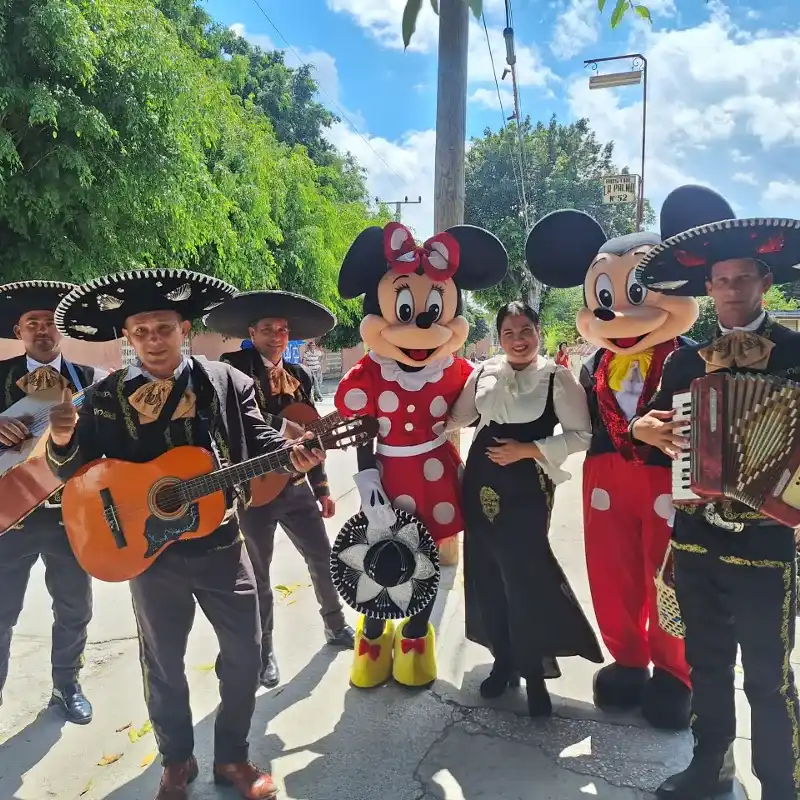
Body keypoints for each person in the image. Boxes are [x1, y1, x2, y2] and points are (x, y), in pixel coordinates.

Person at [45, 269, 325, 800]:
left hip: (222, 545)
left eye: (164, 328)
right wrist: (62, 440)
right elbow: (73, 474)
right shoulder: (104, 397)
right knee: (163, 664)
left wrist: (293, 457)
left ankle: (233, 756)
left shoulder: (227, 382)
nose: (154, 340)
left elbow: (260, 439)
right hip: (150, 556)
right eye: (142, 331)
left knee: (247, 651)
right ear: (128, 337)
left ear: (185, 329)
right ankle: (176, 762)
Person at [631, 185, 800, 799]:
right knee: (706, 664)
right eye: (721, 280)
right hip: (698, 536)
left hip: (767, 540)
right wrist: (645, 429)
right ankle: (711, 769)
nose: (731, 289)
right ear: (708, 288)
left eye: (743, 278)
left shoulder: (796, 353)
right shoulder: (685, 361)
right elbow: (647, 424)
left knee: (768, 676)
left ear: (765, 281)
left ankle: (782, 784)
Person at [523, 197, 716, 730]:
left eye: (635, 294)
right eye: (605, 298)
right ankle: (628, 659)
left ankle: (675, 673)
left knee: (671, 578)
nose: (617, 314)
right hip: (606, 483)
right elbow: (574, 421)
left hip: (672, 485)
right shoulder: (593, 367)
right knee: (611, 575)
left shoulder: (698, 359)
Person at [334, 221, 507, 689]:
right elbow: (361, 429)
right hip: (387, 475)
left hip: (436, 476)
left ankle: (414, 640)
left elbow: (482, 406)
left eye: (431, 311)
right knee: (379, 557)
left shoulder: (455, 371)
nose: (419, 326)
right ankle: (373, 639)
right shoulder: (371, 372)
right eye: (405, 310)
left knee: (425, 560)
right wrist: (366, 479)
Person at [447, 301, 603, 716]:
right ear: (499, 338)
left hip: (527, 489)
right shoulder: (483, 372)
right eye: (508, 333)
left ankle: (534, 674)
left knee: (525, 578)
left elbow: (582, 435)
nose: (518, 340)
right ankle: (503, 663)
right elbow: (456, 418)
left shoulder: (556, 378)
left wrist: (527, 449)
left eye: (525, 331)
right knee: (487, 575)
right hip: (480, 484)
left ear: (538, 330)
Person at [206, 290, 355, 691]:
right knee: (258, 574)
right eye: (268, 328)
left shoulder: (301, 375)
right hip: (254, 490)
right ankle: (263, 651)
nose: (277, 335)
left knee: (322, 556)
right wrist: (282, 426)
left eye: (283, 329)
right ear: (252, 333)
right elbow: (235, 417)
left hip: (296, 487)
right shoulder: (232, 367)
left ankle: (335, 624)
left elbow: (311, 433)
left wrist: (322, 487)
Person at [0, 280, 106, 724]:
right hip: (10, 516)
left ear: (61, 328)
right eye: (33, 323)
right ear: (19, 331)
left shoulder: (91, 380)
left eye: (49, 322)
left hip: (70, 515)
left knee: (74, 607)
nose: (42, 329)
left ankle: (67, 685)